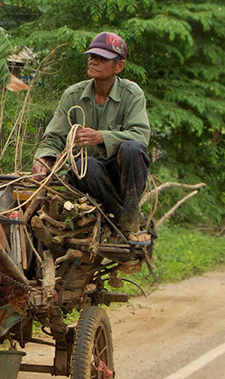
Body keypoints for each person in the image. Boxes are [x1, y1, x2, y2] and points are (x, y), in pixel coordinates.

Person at [31, 32, 151, 238]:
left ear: (119, 66)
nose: (93, 61)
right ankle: (120, 219)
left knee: (132, 147)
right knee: (82, 165)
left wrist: (102, 137)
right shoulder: (73, 95)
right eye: (91, 56)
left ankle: (131, 218)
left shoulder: (132, 94)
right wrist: (44, 157)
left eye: (102, 58)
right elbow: (53, 137)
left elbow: (141, 135)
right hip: (89, 177)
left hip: (121, 175)